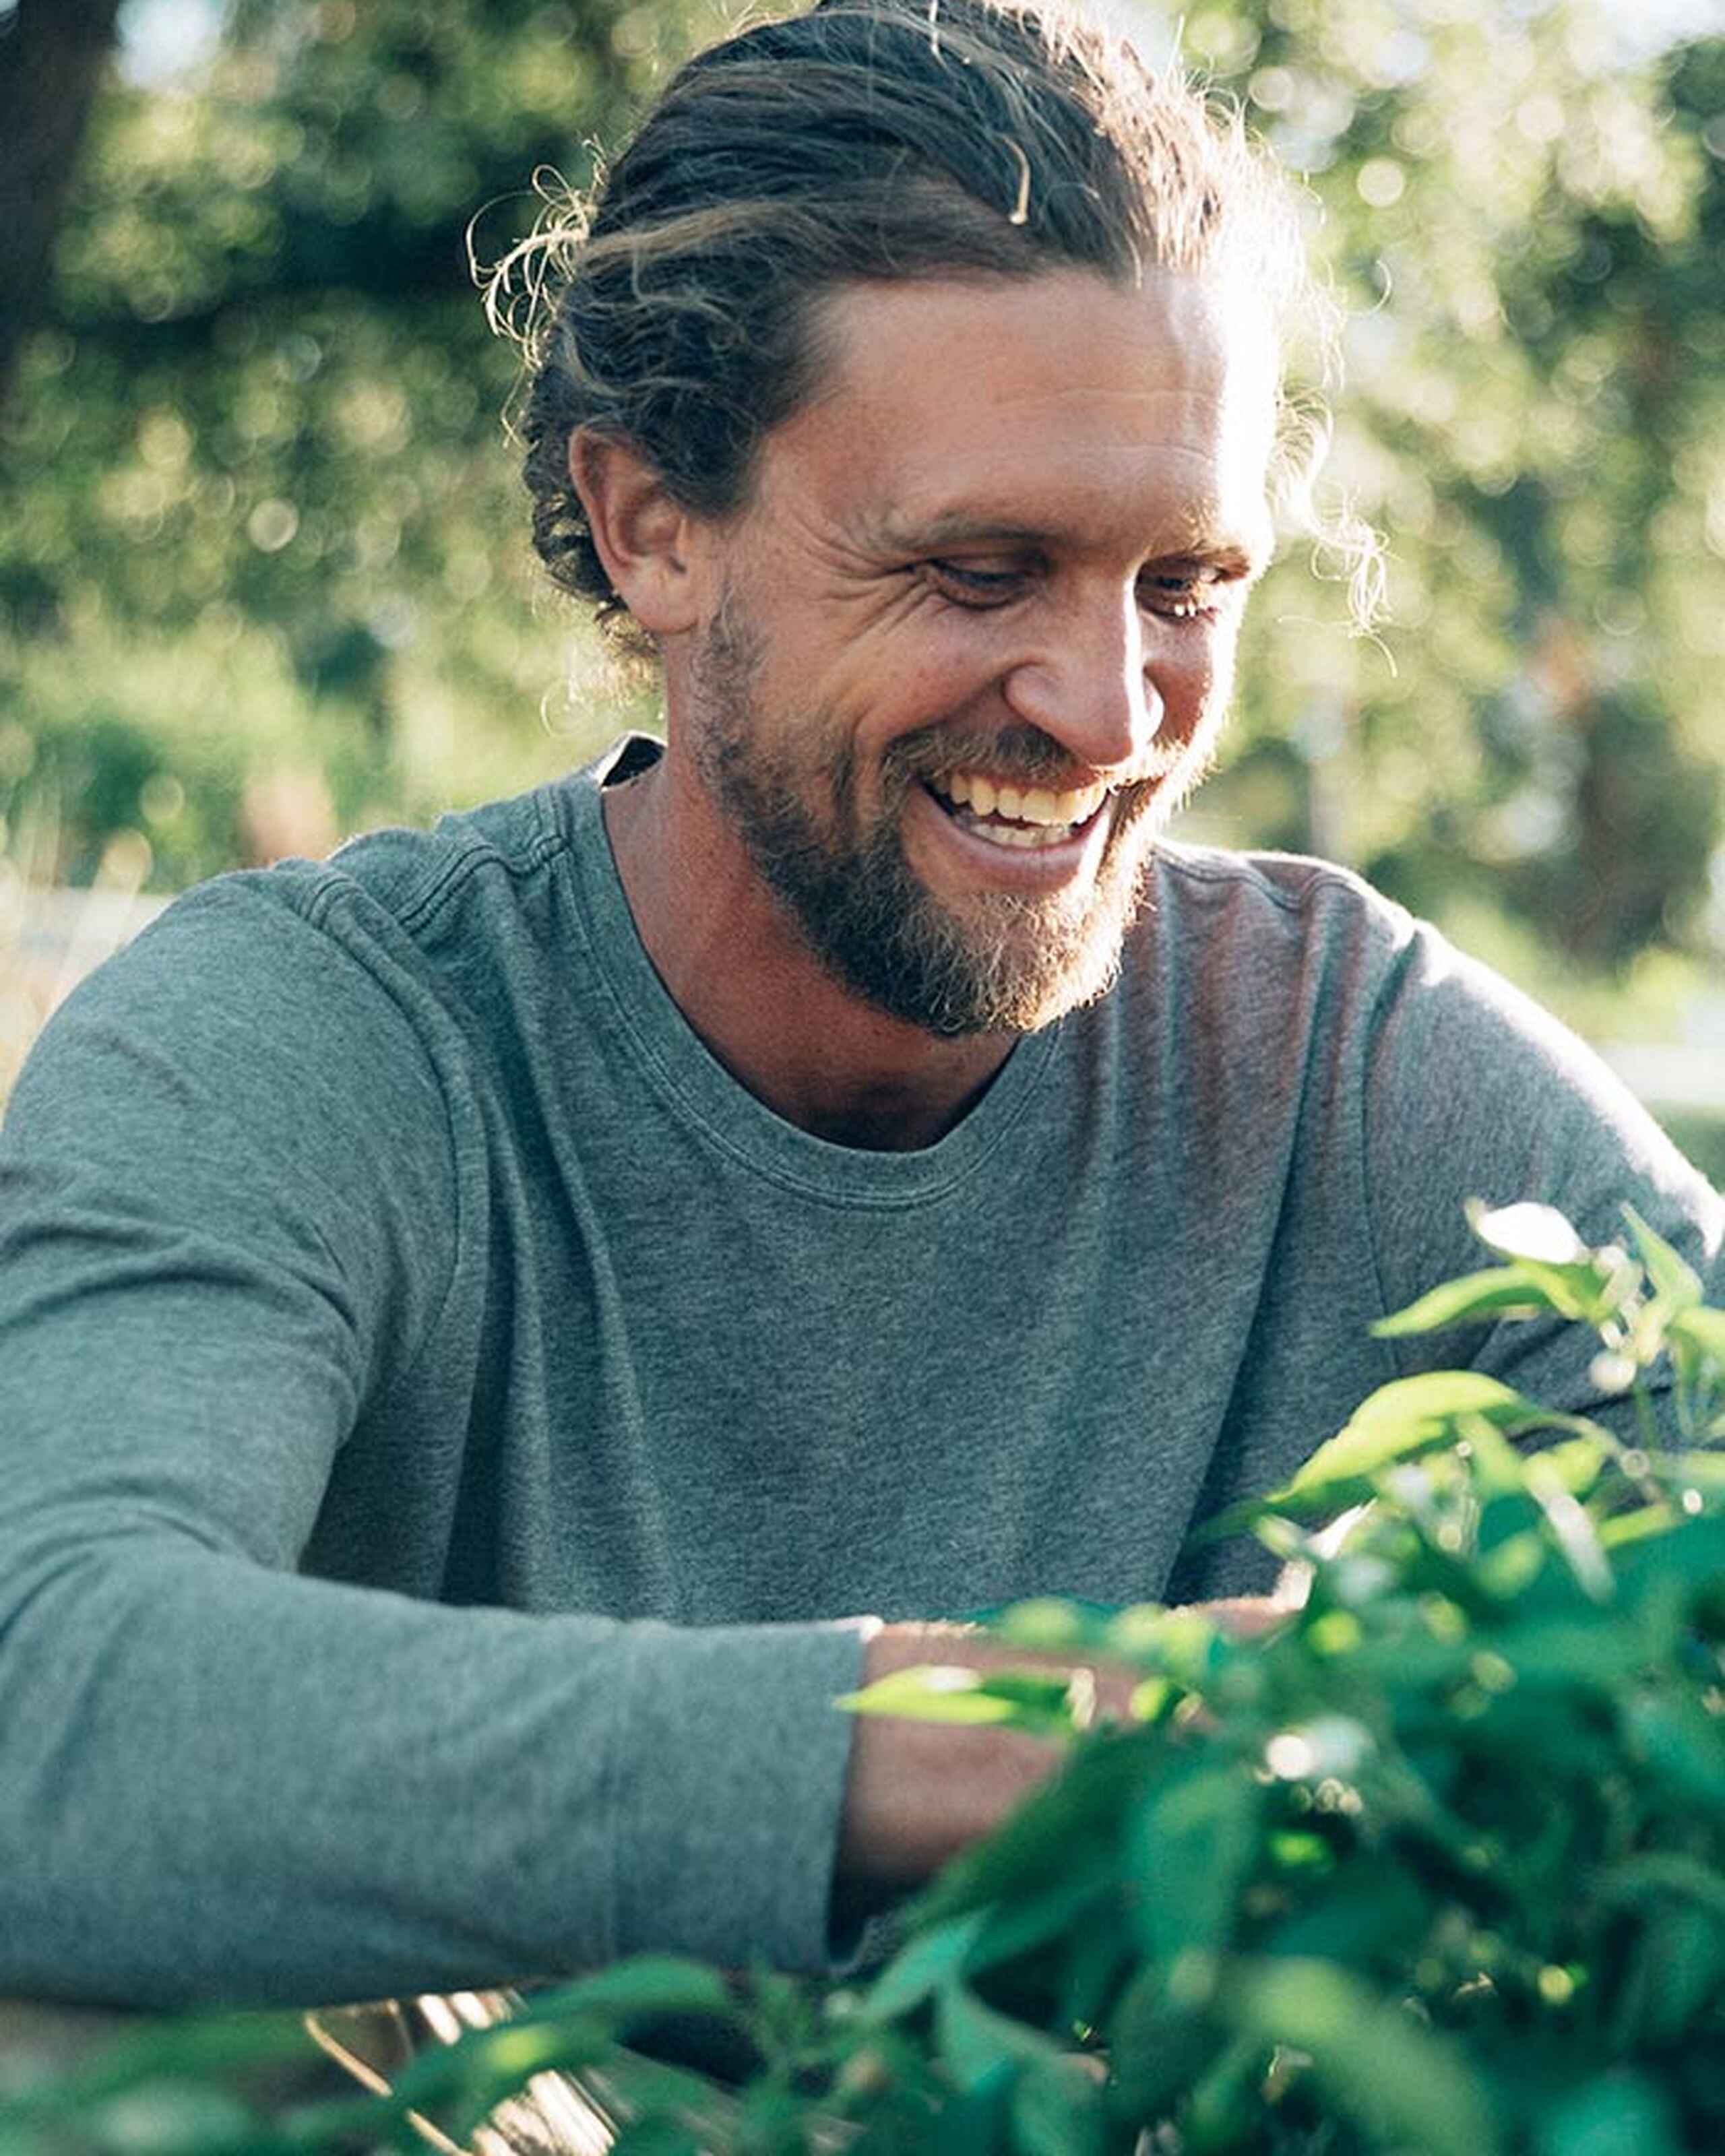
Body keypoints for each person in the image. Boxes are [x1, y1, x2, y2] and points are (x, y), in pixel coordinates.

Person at [0, 0, 1718, 2013]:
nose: (1108, 714)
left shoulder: (1350, 1066)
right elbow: (51, 1702)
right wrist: (967, 1743)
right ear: (653, 524)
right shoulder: (311, 1046)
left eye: (1184, 587)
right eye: (980, 571)